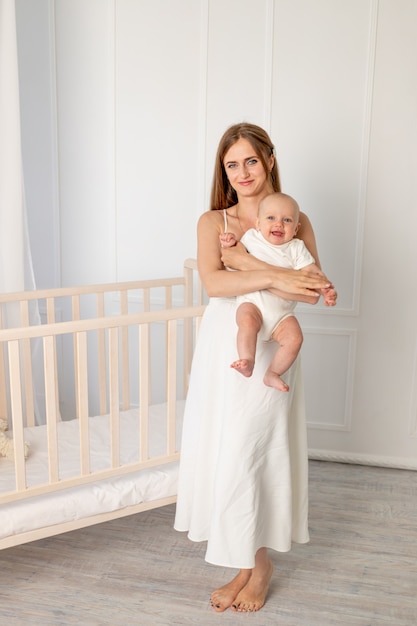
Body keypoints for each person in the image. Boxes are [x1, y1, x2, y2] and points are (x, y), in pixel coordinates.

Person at [174, 123, 334, 613]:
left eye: (250, 161)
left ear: (267, 159)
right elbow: (213, 286)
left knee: (254, 450)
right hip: (229, 344)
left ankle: (257, 565)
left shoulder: (294, 219)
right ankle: (245, 560)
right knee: (228, 450)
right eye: (231, 164)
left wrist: (242, 264)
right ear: (223, 172)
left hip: (273, 351)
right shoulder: (213, 221)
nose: (242, 173)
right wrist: (263, 273)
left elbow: (308, 287)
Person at [220, 191, 337, 392]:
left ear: (296, 228)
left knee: (295, 339)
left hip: (281, 315)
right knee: (246, 323)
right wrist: (229, 243)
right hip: (253, 303)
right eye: (271, 218)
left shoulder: (296, 248)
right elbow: (234, 260)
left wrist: (325, 287)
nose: (278, 224)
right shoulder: (252, 238)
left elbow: (311, 273)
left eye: (287, 220)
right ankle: (247, 360)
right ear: (258, 223)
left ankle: (273, 373)